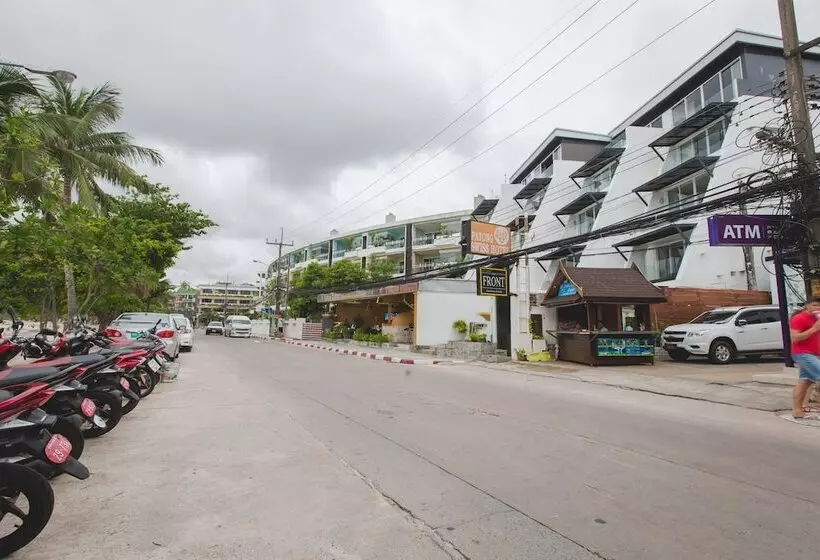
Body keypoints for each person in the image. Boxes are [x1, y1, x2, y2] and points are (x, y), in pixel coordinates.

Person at [790, 297, 820, 418]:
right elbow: (795, 338)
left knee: (805, 381)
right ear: (807, 306)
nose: (817, 308)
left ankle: (797, 410)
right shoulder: (799, 318)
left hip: (815, 353)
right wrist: (814, 329)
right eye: (814, 305)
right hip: (802, 353)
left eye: (819, 306)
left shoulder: (817, 318)